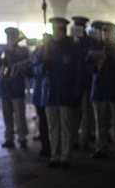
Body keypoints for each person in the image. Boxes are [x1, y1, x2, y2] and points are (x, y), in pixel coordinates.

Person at [33, 17, 82, 168]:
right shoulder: (45, 48)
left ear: (63, 31)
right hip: (50, 93)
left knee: (66, 126)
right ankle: (55, 155)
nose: (56, 33)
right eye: (54, 30)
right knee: (52, 126)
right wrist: (42, 67)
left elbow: (79, 72)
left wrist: (77, 92)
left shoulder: (72, 49)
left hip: (66, 92)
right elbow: (33, 68)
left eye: (59, 30)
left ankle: (65, 156)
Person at [88, 22, 115, 159]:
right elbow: (87, 65)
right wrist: (96, 66)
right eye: (103, 33)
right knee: (101, 121)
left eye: (108, 33)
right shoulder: (96, 48)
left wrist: (110, 61)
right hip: (100, 89)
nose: (105, 36)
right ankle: (102, 146)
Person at [0, 27, 30, 148]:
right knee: (7, 115)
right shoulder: (2, 50)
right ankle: (9, 137)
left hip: (17, 86)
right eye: (8, 37)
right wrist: (3, 53)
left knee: (19, 114)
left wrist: (13, 52)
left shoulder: (22, 50)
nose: (10, 39)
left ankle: (22, 137)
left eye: (12, 37)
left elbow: (25, 62)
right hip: (5, 87)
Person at [70, 16, 98, 150]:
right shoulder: (70, 42)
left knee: (86, 112)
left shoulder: (90, 42)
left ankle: (84, 139)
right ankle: (74, 138)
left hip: (85, 82)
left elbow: (89, 59)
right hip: (72, 82)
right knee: (73, 113)